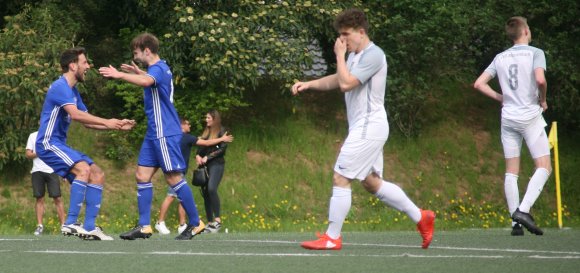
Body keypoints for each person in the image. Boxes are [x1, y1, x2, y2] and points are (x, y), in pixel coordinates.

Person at [291, 8, 435, 250]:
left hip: (370, 125)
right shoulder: (355, 55)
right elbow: (339, 79)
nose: (342, 40)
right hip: (365, 126)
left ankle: (332, 237)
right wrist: (309, 84)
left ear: (361, 32)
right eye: (340, 35)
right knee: (371, 183)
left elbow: (346, 84)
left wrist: (338, 54)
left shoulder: (373, 54)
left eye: (346, 34)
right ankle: (421, 217)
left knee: (341, 176)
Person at [99, 33, 205, 240]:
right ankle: (144, 226)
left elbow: (148, 82)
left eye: (137, 53)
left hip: (165, 132)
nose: (135, 56)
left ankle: (195, 222)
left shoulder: (158, 69)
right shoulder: (155, 69)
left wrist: (120, 76)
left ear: (147, 50)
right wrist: (138, 72)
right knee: (142, 175)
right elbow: (149, 80)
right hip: (153, 133)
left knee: (173, 177)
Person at [35, 47, 135, 241]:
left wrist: (115, 126)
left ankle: (89, 228)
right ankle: (70, 223)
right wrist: (107, 121)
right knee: (83, 170)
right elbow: (75, 114)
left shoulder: (73, 91)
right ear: (73, 65)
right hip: (48, 143)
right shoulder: (59, 86)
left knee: (97, 174)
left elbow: (86, 121)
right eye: (85, 62)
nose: (88, 66)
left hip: (58, 144)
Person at [473, 16, 551, 236]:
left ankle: (515, 225)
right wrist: (543, 100)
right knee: (544, 166)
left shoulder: (500, 57)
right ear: (525, 31)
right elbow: (540, 80)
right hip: (529, 116)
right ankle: (523, 211)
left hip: (508, 118)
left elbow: (479, 83)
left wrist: (501, 97)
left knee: (511, 170)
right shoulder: (536, 53)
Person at [155, 118, 233, 234]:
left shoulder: (173, 136)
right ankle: (160, 222)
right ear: (182, 125)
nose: (190, 126)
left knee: (183, 197)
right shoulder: (186, 137)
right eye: (188, 124)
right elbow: (206, 143)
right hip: (176, 172)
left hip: (177, 171)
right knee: (171, 196)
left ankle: (182, 224)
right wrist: (222, 139)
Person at [195, 109, 229, 233]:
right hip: (205, 167)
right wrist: (198, 156)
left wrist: (207, 157)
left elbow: (222, 150)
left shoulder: (223, 131)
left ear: (215, 119)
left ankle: (218, 220)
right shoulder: (206, 132)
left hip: (217, 164)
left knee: (211, 189)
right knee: (206, 193)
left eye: (209, 118)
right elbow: (201, 148)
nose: (206, 120)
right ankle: (209, 223)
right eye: (206, 118)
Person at [26, 131, 66, 235]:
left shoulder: (55, 135)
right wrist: (40, 152)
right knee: (39, 198)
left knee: (57, 198)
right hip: (37, 171)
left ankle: (64, 226)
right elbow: (28, 154)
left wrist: (64, 172)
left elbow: (60, 155)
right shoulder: (33, 135)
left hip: (52, 171)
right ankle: (39, 226)